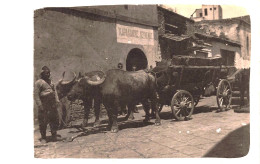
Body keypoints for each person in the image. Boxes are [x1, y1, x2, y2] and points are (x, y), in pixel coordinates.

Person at [34, 66, 61, 143]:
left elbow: (54, 91)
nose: (48, 74)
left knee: (54, 118)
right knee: (43, 120)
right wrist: (40, 105)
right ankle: (43, 137)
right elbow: (36, 95)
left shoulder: (50, 81)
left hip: (52, 102)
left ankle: (54, 135)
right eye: (46, 73)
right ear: (42, 74)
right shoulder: (39, 82)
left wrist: (57, 100)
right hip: (44, 102)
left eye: (49, 73)